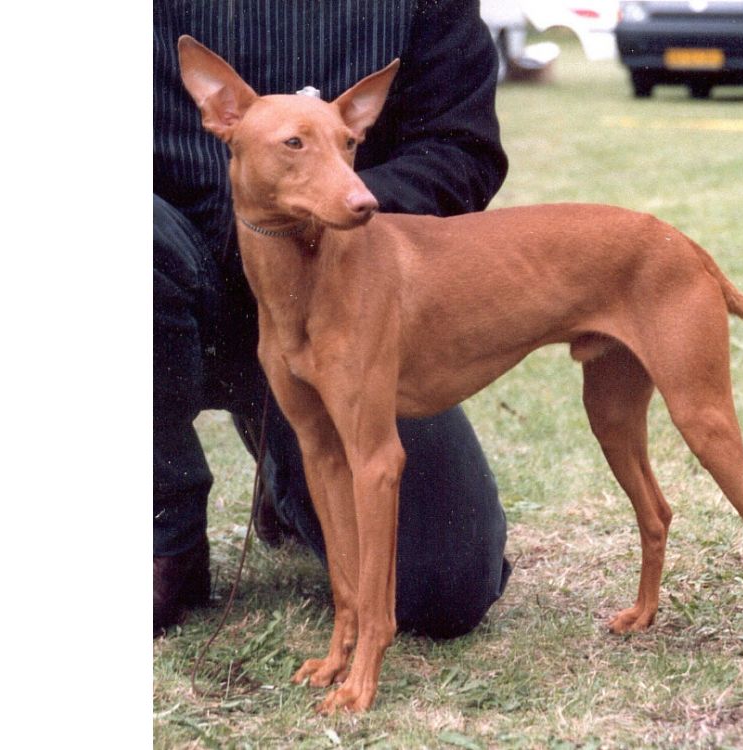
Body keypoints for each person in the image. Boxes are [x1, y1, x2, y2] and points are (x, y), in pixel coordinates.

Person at [153, 0, 512, 639]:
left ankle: (289, 467)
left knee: (441, 589)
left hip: (340, 290)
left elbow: (463, 150)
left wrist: (337, 203)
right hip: (171, 277)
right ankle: (163, 531)